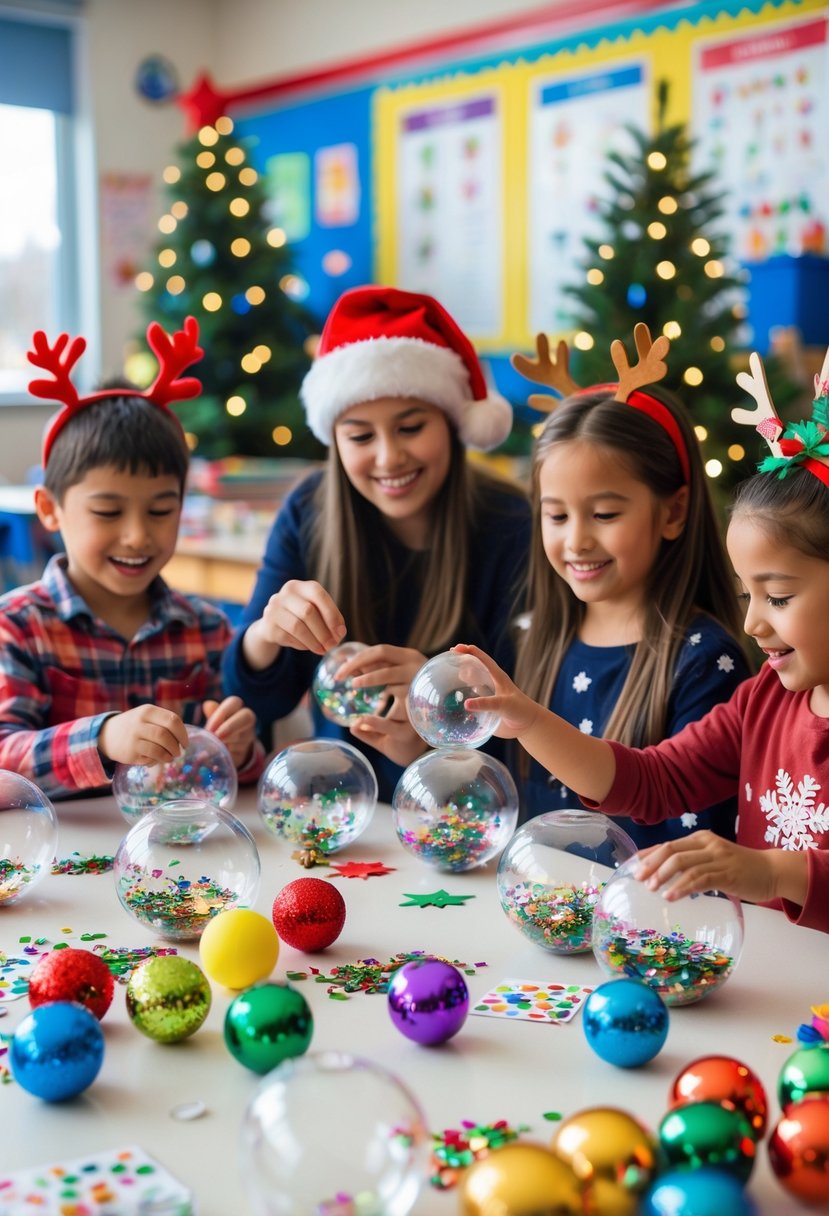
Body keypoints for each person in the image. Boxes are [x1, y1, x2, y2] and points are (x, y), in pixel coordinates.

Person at [455, 348, 829, 934]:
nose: (753, 626)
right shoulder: (762, 701)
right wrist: (527, 720)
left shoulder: (712, 662)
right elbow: (650, 779)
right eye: (745, 597)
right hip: (766, 997)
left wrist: (773, 873)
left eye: (777, 598)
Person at [222, 285, 531, 800]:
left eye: (411, 427)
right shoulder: (309, 513)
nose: (388, 458)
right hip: (337, 806)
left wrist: (442, 714)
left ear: (453, 423)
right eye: (361, 437)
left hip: (466, 812)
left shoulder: (511, 525)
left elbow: (536, 722)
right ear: (335, 440)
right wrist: (265, 635)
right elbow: (256, 701)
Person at [0, 317, 263, 801]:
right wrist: (100, 740)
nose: (137, 535)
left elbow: (233, 776)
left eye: (161, 510)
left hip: (176, 865)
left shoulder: (206, 629)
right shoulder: (17, 626)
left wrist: (241, 749)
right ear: (49, 509)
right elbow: (2, 759)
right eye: (108, 511)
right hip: (57, 863)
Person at [509, 326, 748, 843]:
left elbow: (702, 860)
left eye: (604, 513)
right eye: (556, 515)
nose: (576, 540)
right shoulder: (532, 636)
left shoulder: (705, 663)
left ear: (674, 510)